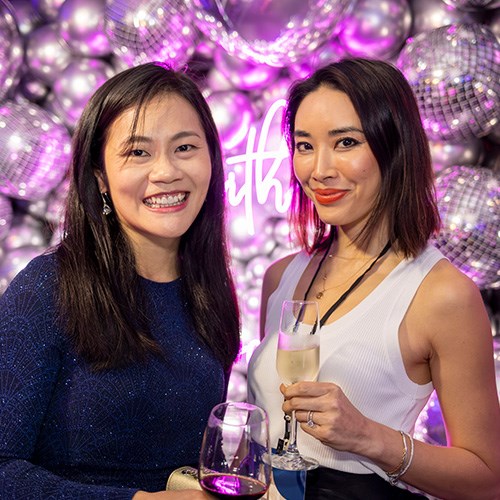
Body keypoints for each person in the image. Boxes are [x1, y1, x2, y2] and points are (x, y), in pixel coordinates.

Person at [247, 58, 500, 499]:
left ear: (394, 147)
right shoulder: (281, 277)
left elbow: (487, 480)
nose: (320, 169)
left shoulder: (441, 294)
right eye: (305, 145)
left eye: (346, 142)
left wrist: (368, 437)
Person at [0, 62, 240, 498]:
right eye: (138, 153)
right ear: (100, 179)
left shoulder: (209, 291)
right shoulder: (47, 288)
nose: (166, 171)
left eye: (185, 147)